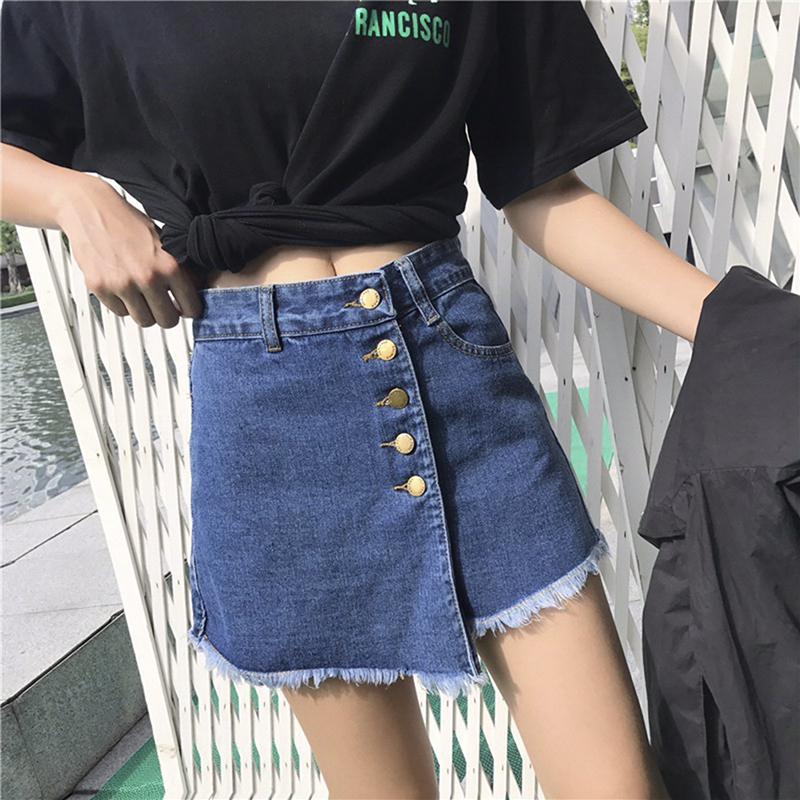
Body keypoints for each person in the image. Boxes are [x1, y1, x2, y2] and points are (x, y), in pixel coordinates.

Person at [1, 1, 716, 798]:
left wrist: (734, 319)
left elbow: (546, 189)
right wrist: (72, 199)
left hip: (457, 378)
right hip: (269, 416)